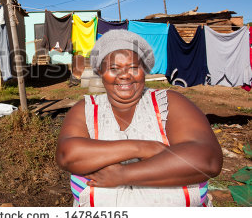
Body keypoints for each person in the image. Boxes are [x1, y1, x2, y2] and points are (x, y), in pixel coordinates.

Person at [56, 30, 223, 207]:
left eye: (133, 67)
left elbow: (207, 160)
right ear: (100, 72)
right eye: (113, 68)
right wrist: (143, 148)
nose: (125, 75)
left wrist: (123, 175)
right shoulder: (86, 109)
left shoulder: (169, 103)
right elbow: (67, 155)